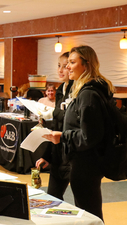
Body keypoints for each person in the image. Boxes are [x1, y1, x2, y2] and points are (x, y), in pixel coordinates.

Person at [42, 45, 115, 221]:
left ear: (86, 65)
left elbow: (89, 136)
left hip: (86, 164)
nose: (67, 67)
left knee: (89, 213)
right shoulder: (86, 90)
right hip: (83, 162)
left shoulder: (89, 94)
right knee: (87, 212)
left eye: (72, 62)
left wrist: (63, 136)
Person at [36, 52, 73, 200]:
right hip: (58, 154)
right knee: (53, 197)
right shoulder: (60, 91)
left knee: (85, 205)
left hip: (74, 154)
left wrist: (54, 113)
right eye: (59, 66)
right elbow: (56, 127)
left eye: (65, 66)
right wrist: (47, 156)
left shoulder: (78, 91)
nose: (61, 70)